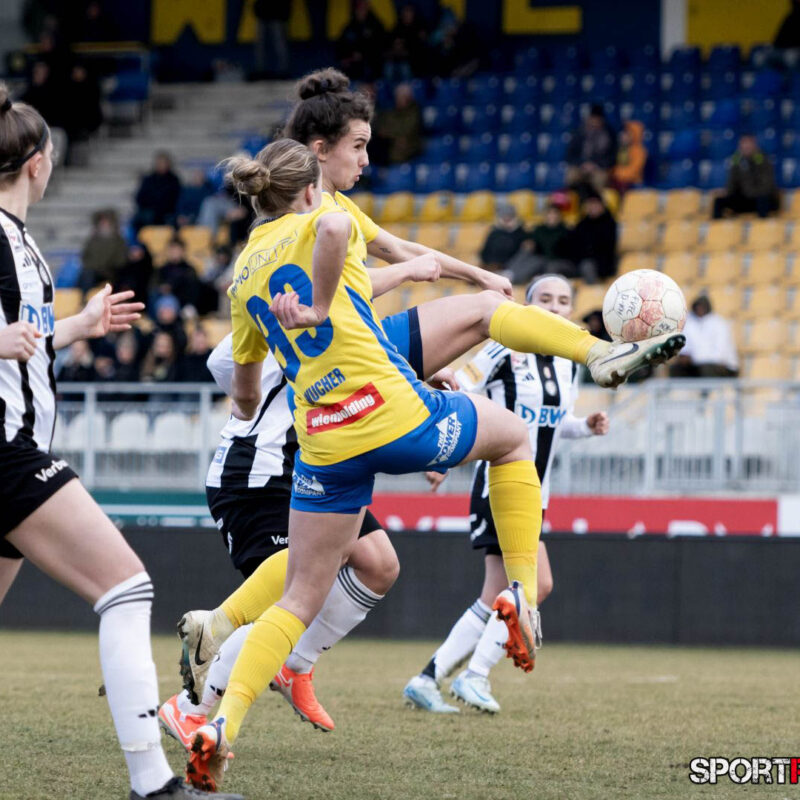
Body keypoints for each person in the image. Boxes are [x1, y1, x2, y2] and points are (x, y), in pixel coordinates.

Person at [183, 139, 682, 793]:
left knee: (301, 594)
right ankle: (525, 588)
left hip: (324, 440)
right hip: (387, 411)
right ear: (309, 188)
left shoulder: (244, 273)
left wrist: (302, 331)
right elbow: (334, 227)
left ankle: (220, 730)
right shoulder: (322, 217)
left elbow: (245, 392)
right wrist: (322, 302)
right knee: (511, 439)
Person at [0, 87, 240, 800]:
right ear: (41, 164)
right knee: (127, 587)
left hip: (14, 447)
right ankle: (152, 783)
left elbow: (26, 342)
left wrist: (78, 327)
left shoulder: (22, 244)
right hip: (8, 454)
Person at [281, 69, 676, 391]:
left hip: (356, 343)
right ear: (320, 149)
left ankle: (599, 353)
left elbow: (400, 248)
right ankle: (597, 353)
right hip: (337, 359)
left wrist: (479, 275)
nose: (367, 160)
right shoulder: (313, 215)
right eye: (358, 146)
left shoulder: (335, 206)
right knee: (504, 435)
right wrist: (407, 273)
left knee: (503, 412)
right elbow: (341, 290)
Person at [404, 275, 610, 713]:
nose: (555, 308)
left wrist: (585, 428)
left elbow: (555, 423)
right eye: (545, 300)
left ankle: (428, 679)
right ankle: (473, 676)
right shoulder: (502, 349)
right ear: (527, 308)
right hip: (499, 484)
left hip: (537, 493)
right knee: (535, 585)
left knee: (494, 594)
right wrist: (442, 458)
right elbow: (457, 388)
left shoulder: (568, 365)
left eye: (564, 301)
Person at [669, 296, 739, 378]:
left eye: (702, 307)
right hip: (697, 365)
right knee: (675, 369)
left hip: (723, 367)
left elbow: (719, 356)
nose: (699, 309)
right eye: (697, 307)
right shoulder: (689, 322)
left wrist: (693, 358)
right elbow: (685, 346)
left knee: (706, 369)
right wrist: (684, 356)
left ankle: (708, 391)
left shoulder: (719, 323)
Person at [711, 135, 779, 220]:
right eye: (743, 145)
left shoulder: (763, 160)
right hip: (745, 199)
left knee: (763, 200)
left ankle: (762, 227)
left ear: (755, 146)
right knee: (719, 201)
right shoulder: (737, 160)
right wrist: (727, 192)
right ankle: (719, 228)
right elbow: (731, 183)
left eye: (748, 145)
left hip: (760, 197)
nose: (746, 147)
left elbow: (767, 186)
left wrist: (750, 190)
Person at [506, 203, 572, 284]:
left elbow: (564, 253)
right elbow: (533, 244)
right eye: (549, 213)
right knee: (526, 249)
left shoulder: (566, 231)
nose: (551, 216)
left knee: (549, 265)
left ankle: (515, 279)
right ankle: (510, 273)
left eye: (554, 213)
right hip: (542, 259)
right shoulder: (539, 229)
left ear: (559, 216)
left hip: (559, 261)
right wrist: (529, 245)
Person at [566, 104, 617, 195]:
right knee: (571, 176)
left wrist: (595, 165)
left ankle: (597, 205)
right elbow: (570, 154)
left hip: (599, 168)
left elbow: (612, 157)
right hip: (580, 166)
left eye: (597, 119)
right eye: (592, 118)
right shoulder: (579, 133)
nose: (594, 121)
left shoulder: (609, 134)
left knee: (599, 179)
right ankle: (574, 204)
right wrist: (582, 164)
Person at [569, 192, 618, 284]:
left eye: (595, 204)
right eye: (590, 204)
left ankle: (593, 295)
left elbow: (607, 247)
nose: (592, 207)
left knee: (587, 266)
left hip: (602, 264)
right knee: (557, 267)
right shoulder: (582, 224)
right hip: (579, 262)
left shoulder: (610, 223)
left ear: (602, 206)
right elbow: (573, 244)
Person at [79, 208, 128, 293]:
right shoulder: (92, 240)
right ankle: (83, 298)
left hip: (112, 273)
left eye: (106, 221)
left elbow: (121, 261)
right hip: (94, 271)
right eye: (102, 221)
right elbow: (85, 257)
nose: (103, 224)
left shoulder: (119, 241)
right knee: (85, 274)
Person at [373, 83, 422, 164]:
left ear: (408, 98)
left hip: (409, 148)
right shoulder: (392, 112)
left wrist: (391, 133)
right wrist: (393, 134)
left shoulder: (414, 112)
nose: (397, 100)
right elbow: (382, 129)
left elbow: (407, 130)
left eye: (400, 97)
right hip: (390, 147)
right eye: (397, 97)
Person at [133, 151, 181, 231]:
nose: (161, 165)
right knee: (139, 219)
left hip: (168, 212)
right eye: (159, 162)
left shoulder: (174, 180)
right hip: (150, 212)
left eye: (163, 162)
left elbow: (176, 199)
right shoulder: (148, 179)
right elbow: (140, 198)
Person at [479, 202, 529, 273]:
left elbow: (521, 256)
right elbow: (484, 252)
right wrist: (488, 263)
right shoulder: (494, 233)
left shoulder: (521, 234)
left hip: (509, 269)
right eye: (504, 218)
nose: (506, 221)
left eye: (509, 218)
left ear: (515, 218)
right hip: (490, 266)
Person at [610, 120, 647, 195]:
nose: (622, 136)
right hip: (618, 182)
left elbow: (633, 171)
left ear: (633, 135)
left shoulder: (640, 151)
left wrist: (617, 173)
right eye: (622, 134)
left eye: (626, 134)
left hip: (633, 183)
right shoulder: (619, 149)